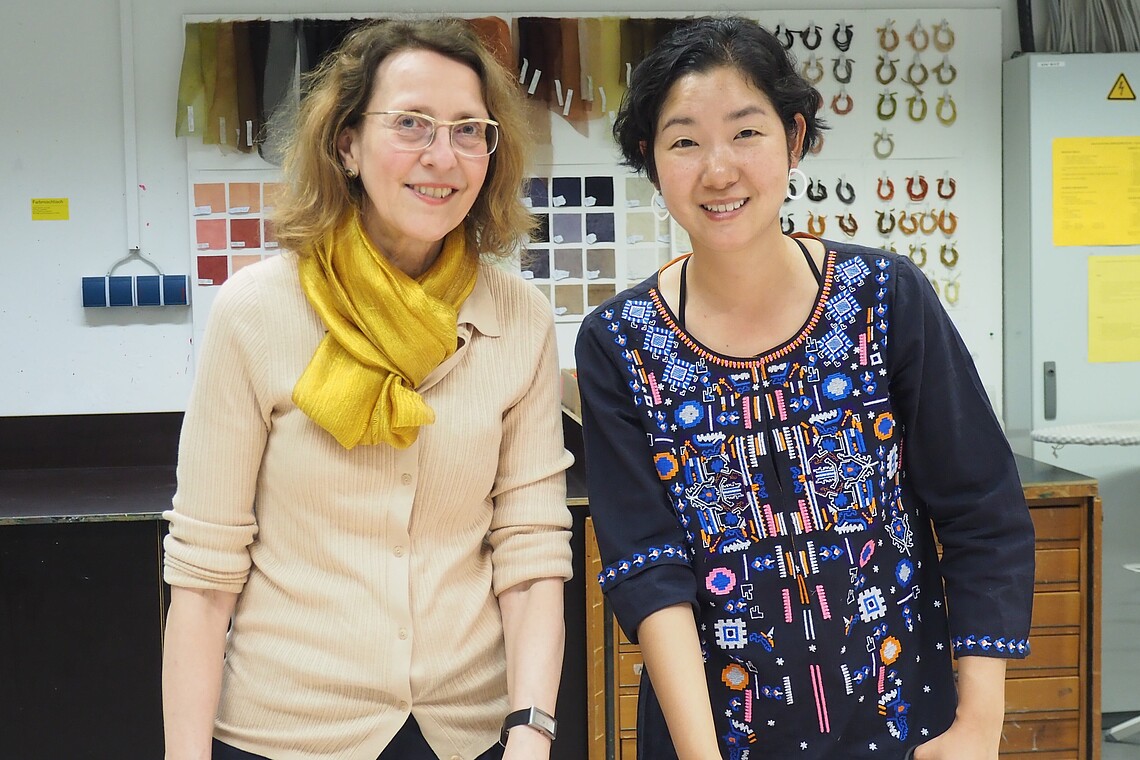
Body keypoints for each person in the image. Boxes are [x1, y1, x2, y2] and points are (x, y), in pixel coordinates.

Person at [575, 16, 1034, 760]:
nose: (718, 170)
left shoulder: (884, 298)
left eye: (746, 133)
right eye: (685, 140)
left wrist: (978, 725)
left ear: (793, 139)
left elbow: (983, 510)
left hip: (903, 730)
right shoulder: (620, 342)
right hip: (712, 739)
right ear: (649, 160)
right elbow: (646, 571)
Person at [162, 18, 572, 760]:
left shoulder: (519, 318)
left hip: (471, 733)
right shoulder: (256, 311)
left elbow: (532, 550)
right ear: (346, 143)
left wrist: (530, 733)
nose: (441, 156)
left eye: (468, 130)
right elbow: (203, 571)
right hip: (283, 734)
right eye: (411, 124)